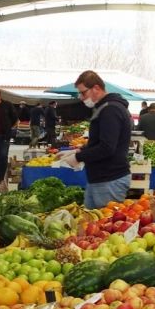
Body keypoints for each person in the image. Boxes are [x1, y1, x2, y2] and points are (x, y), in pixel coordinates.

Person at [61, 71, 132, 209]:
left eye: (83, 93)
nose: (81, 97)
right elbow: (99, 141)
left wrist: (78, 157)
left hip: (110, 180)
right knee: (91, 224)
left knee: (104, 226)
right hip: (101, 179)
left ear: (96, 88)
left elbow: (107, 147)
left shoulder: (111, 110)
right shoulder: (103, 108)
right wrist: (78, 150)